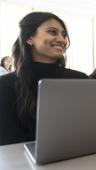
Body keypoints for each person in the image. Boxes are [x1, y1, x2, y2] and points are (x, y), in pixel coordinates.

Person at [0, 12, 88, 146]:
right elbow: (7, 141)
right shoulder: (5, 85)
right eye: (52, 32)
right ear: (29, 38)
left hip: (78, 153)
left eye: (64, 35)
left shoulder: (80, 79)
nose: (62, 39)